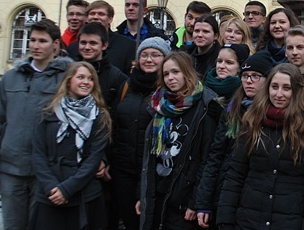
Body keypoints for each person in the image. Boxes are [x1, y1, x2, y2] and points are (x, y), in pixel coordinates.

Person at [0, 19, 72, 230]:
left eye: (42, 41)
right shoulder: (10, 78)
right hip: (11, 169)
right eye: (32, 40)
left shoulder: (65, 79)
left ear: (55, 45)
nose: (35, 46)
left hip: (46, 172)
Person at [216, 63, 304, 230]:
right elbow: (235, 175)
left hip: (290, 222)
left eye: (286, 88)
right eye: (274, 87)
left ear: (296, 92)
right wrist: (224, 220)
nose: (279, 94)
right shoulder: (252, 123)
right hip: (248, 221)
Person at [137, 52, 220, 230]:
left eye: (175, 72)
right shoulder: (158, 105)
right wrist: (142, 195)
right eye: (166, 74)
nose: (170, 78)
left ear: (187, 72)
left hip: (183, 198)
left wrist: (195, 201)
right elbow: (148, 158)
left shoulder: (204, 106)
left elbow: (206, 159)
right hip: (158, 191)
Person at [194, 50, 274, 229]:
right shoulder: (232, 109)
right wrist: (203, 202)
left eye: (255, 76)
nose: (249, 81)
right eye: (245, 76)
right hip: (226, 190)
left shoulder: (273, 112)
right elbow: (215, 156)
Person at [30, 61, 112, 230]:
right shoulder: (49, 111)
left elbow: (94, 159)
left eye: (90, 79)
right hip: (50, 193)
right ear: (69, 81)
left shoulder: (100, 116)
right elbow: (38, 153)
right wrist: (51, 187)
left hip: (84, 193)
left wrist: (67, 189)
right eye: (80, 77)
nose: (86, 82)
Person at [111, 37, 171, 230]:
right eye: (144, 55)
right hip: (124, 169)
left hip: (153, 172)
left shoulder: (169, 89)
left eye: (155, 55)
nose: (149, 59)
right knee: (129, 221)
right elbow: (114, 123)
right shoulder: (126, 86)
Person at [67, 0, 136, 75]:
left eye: (101, 14)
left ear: (110, 19)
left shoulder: (127, 46)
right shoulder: (73, 48)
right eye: (92, 14)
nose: (96, 17)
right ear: (87, 18)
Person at [77, 22, 128, 108]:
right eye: (83, 43)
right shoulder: (70, 72)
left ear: (104, 45)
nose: (87, 47)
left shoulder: (116, 77)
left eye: (93, 43)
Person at [184, 14, 221, 81]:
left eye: (205, 31)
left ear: (216, 36)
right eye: (197, 31)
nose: (200, 35)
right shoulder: (184, 55)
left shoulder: (221, 59)